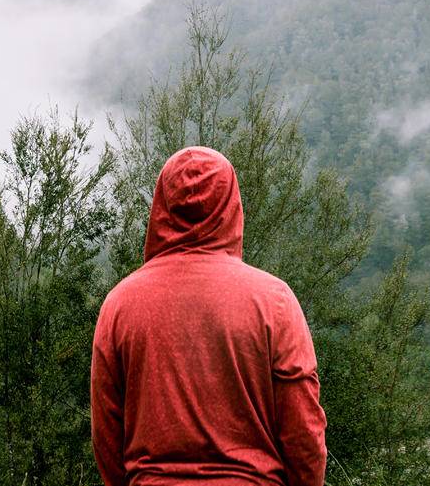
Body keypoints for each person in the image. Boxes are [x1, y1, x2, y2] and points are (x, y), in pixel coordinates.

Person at [91, 146, 326, 486]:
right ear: (231, 206)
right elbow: (304, 432)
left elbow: (106, 436)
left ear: (161, 206)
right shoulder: (274, 301)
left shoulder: (120, 304)